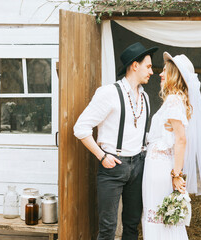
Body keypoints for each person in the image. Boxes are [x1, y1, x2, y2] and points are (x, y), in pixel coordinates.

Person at [73, 42, 158, 240]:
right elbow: (80, 128)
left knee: (132, 224)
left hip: (138, 165)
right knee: (108, 228)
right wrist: (102, 156)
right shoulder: (108, 93)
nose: (152, 72)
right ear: (134, 66)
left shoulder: (145, 97)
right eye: (148, 66)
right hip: (112, 167)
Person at [142, 52, 201, 240]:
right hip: (157, 167)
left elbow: (181, 139)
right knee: (162, 221)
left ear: (175, 75)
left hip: (161, 169)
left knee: (161, 222)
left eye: (165, 71)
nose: (160, 74)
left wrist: (176, 175)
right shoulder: (175, 100)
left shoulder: (174, 100)